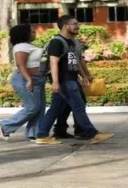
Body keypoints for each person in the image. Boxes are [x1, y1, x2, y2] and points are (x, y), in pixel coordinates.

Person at [35, 15, 114, 145]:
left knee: (55, 109)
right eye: (75, 24)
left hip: (71, 79)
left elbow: (75, 62)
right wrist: (55, 82)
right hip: (64, 80)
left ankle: (42, 135)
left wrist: (84, 75)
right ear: (66, 26)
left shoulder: (71, 42)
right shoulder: (57, 42)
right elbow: (53, 62)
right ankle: (92, 134)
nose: (78, 26)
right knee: (78, 107)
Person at [0, 24, 46, 141]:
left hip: (37, 79)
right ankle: (6, 125)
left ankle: (35, 133)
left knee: (39, 108)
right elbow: (20, 64)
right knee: (32, 107)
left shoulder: (28, 45)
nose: (34, 32)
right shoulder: (21, 46)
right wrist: (28, 79)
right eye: (31, 31)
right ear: (23, 33)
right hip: (25, 79)